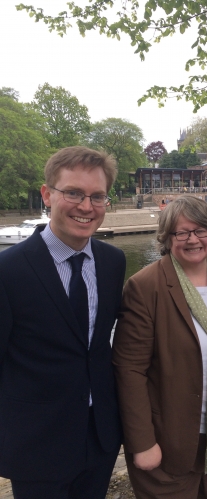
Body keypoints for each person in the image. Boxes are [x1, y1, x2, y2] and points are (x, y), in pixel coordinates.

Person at [0, 146, 126, 499]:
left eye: (97, 196)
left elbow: (98, 347)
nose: (86, 206)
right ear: (47, 194)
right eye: (73, 192)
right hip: (36, 443)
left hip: (99, 436)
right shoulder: (8, 271)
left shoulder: (112, 262)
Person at [113, 195, 207, 499]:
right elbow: (129, 370)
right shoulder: (145, 287)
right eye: (181, 232)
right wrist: (142, 443)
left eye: (201, 230)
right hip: (168, 442)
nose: (193, 239)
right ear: (167, 239)